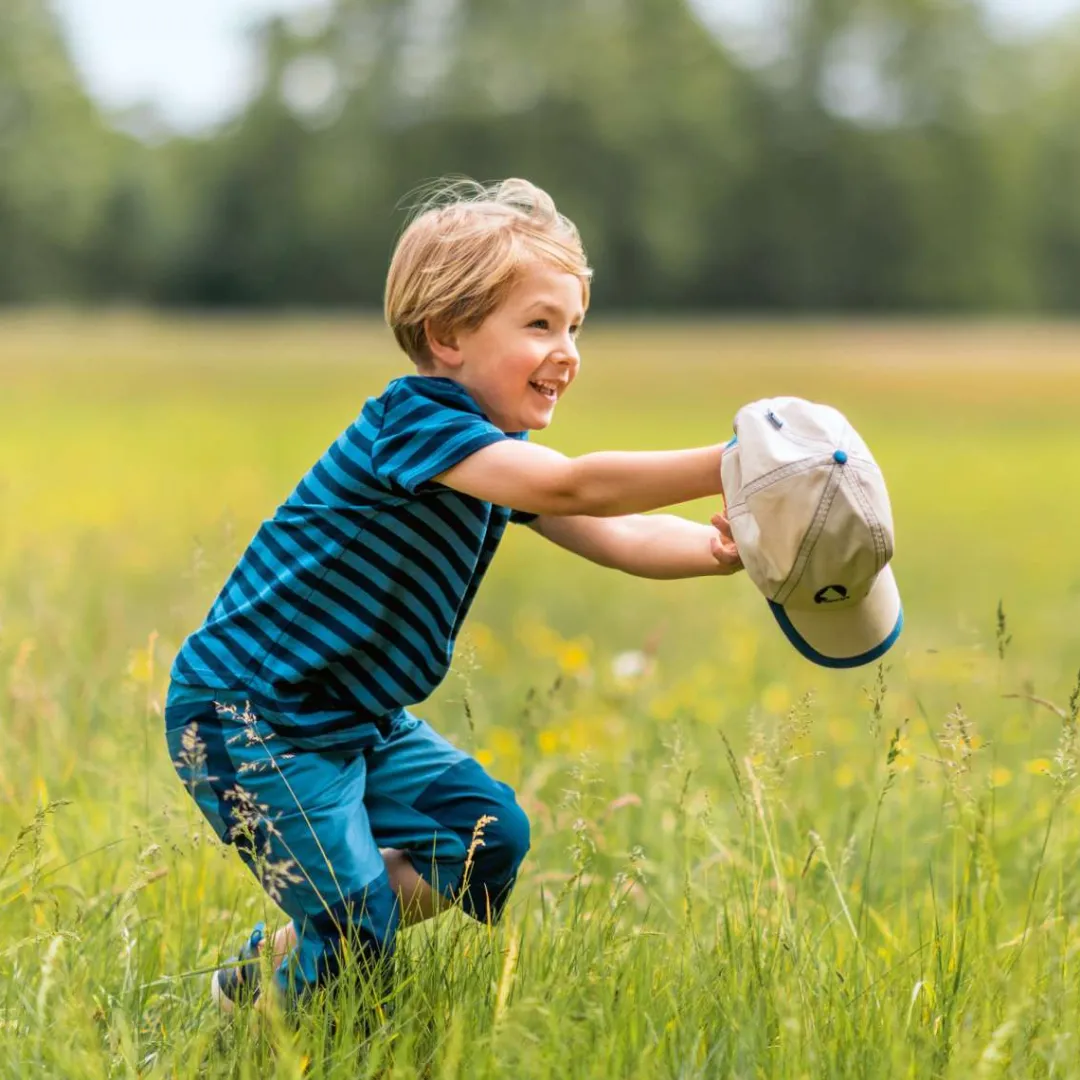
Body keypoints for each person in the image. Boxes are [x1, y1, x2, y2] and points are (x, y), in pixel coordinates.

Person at [163, 177, 743, 1015]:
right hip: (252, 715)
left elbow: (619, 538)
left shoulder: (493, 453)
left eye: (575, 326)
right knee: (357, 916)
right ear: (446, 336)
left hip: (353, 721)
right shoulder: (420, 425)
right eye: (539, 324)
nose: (568, 350)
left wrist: (722, 550)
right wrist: (734, 458)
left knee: (485, 840)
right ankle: (272, 1037)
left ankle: (259, 978)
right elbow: (581, 487)